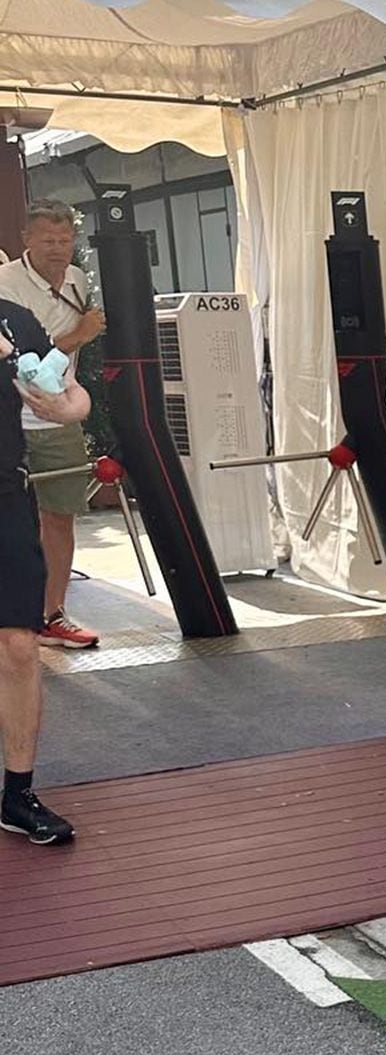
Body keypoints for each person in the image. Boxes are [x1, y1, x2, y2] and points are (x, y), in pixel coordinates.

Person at [0, 199, 108, 650]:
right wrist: (82, 333)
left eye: (65, 240)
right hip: (13, 419)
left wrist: (70, 404)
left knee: (60, 515)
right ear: (26, 239)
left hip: (59, 413)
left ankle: (52, 614)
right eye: (48, 240)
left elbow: (54, 365)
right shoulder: (8, 287)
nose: (58, 249)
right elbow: (30, 355)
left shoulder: (78, 279)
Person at [1, 297, 87, 844]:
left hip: (5, 493)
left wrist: (69, 408)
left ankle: (18, 794)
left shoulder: (13, 318)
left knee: (18, 644)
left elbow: (67, 388)